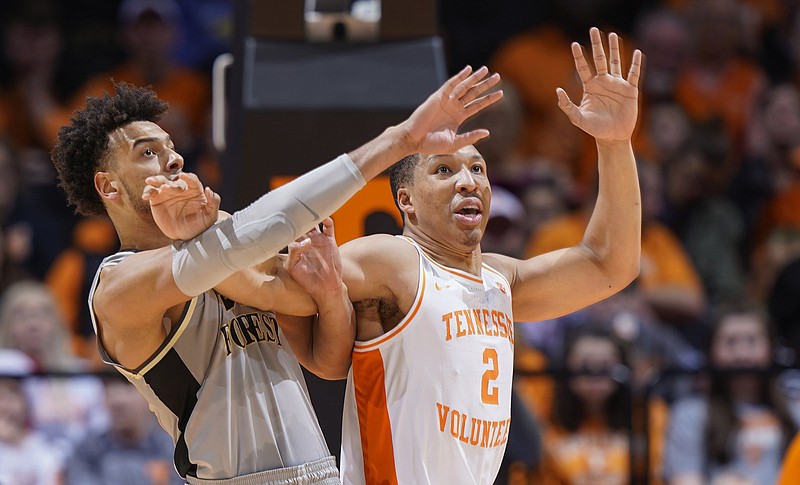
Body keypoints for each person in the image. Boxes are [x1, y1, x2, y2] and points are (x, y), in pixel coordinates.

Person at [49, 65, 502, 485]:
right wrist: (400, 140)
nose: (173, 161)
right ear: (109, 186)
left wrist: (327, 293)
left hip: (322, 473)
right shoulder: (117, 289)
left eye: (172, 149)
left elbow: (329, 361)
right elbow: (255, 233)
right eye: (148, 153)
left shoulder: (224, 243)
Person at [334, 27, 641, 484]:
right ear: (406, 200)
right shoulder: (395, 261)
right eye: (444, 169)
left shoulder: (500, 280)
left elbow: (611, 265)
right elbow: (282, 279)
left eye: (477, 168)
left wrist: (615, 144)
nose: (468, 181)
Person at [662, 302, 800, 485]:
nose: (742, 355)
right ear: (711, 351)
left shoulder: (794, 411)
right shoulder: (690, 414)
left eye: (752, 341)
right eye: (730, 342)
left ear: (771, 348)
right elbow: (684, 480)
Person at [64, 373, 182, 485]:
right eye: (109, 387)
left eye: (129, 386)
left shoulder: (174, 449)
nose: (117, 398)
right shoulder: (87, 451)